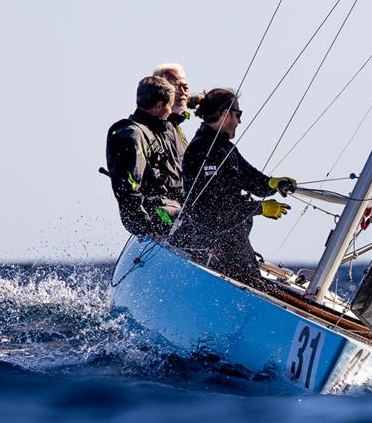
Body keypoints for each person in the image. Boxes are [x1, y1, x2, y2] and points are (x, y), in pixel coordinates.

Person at [173, 88, 296, 287]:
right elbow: (214, 208)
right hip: (214, 241)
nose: (239, 121)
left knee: (259, 285)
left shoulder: (225, 148)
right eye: (238, 114)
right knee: (255, 287)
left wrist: (273, 183)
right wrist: (260, 208)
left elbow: (251, 179)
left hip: (232, 239)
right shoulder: (203, 149)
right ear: (224, 114)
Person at [106, 76, 183, 237]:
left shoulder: (164, 130)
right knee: (183, 224)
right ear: (159, 105)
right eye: (169, 106)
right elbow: (128, 188)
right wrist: (145, 224)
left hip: (173, 207)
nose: (170, 111)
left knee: (203, 222)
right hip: (155, 214)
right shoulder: (131, 134)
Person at [152, 63, 191, 173]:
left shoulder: (176, 127)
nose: (183, 93)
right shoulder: (150, 128)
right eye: (176, 87)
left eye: (185, 87)